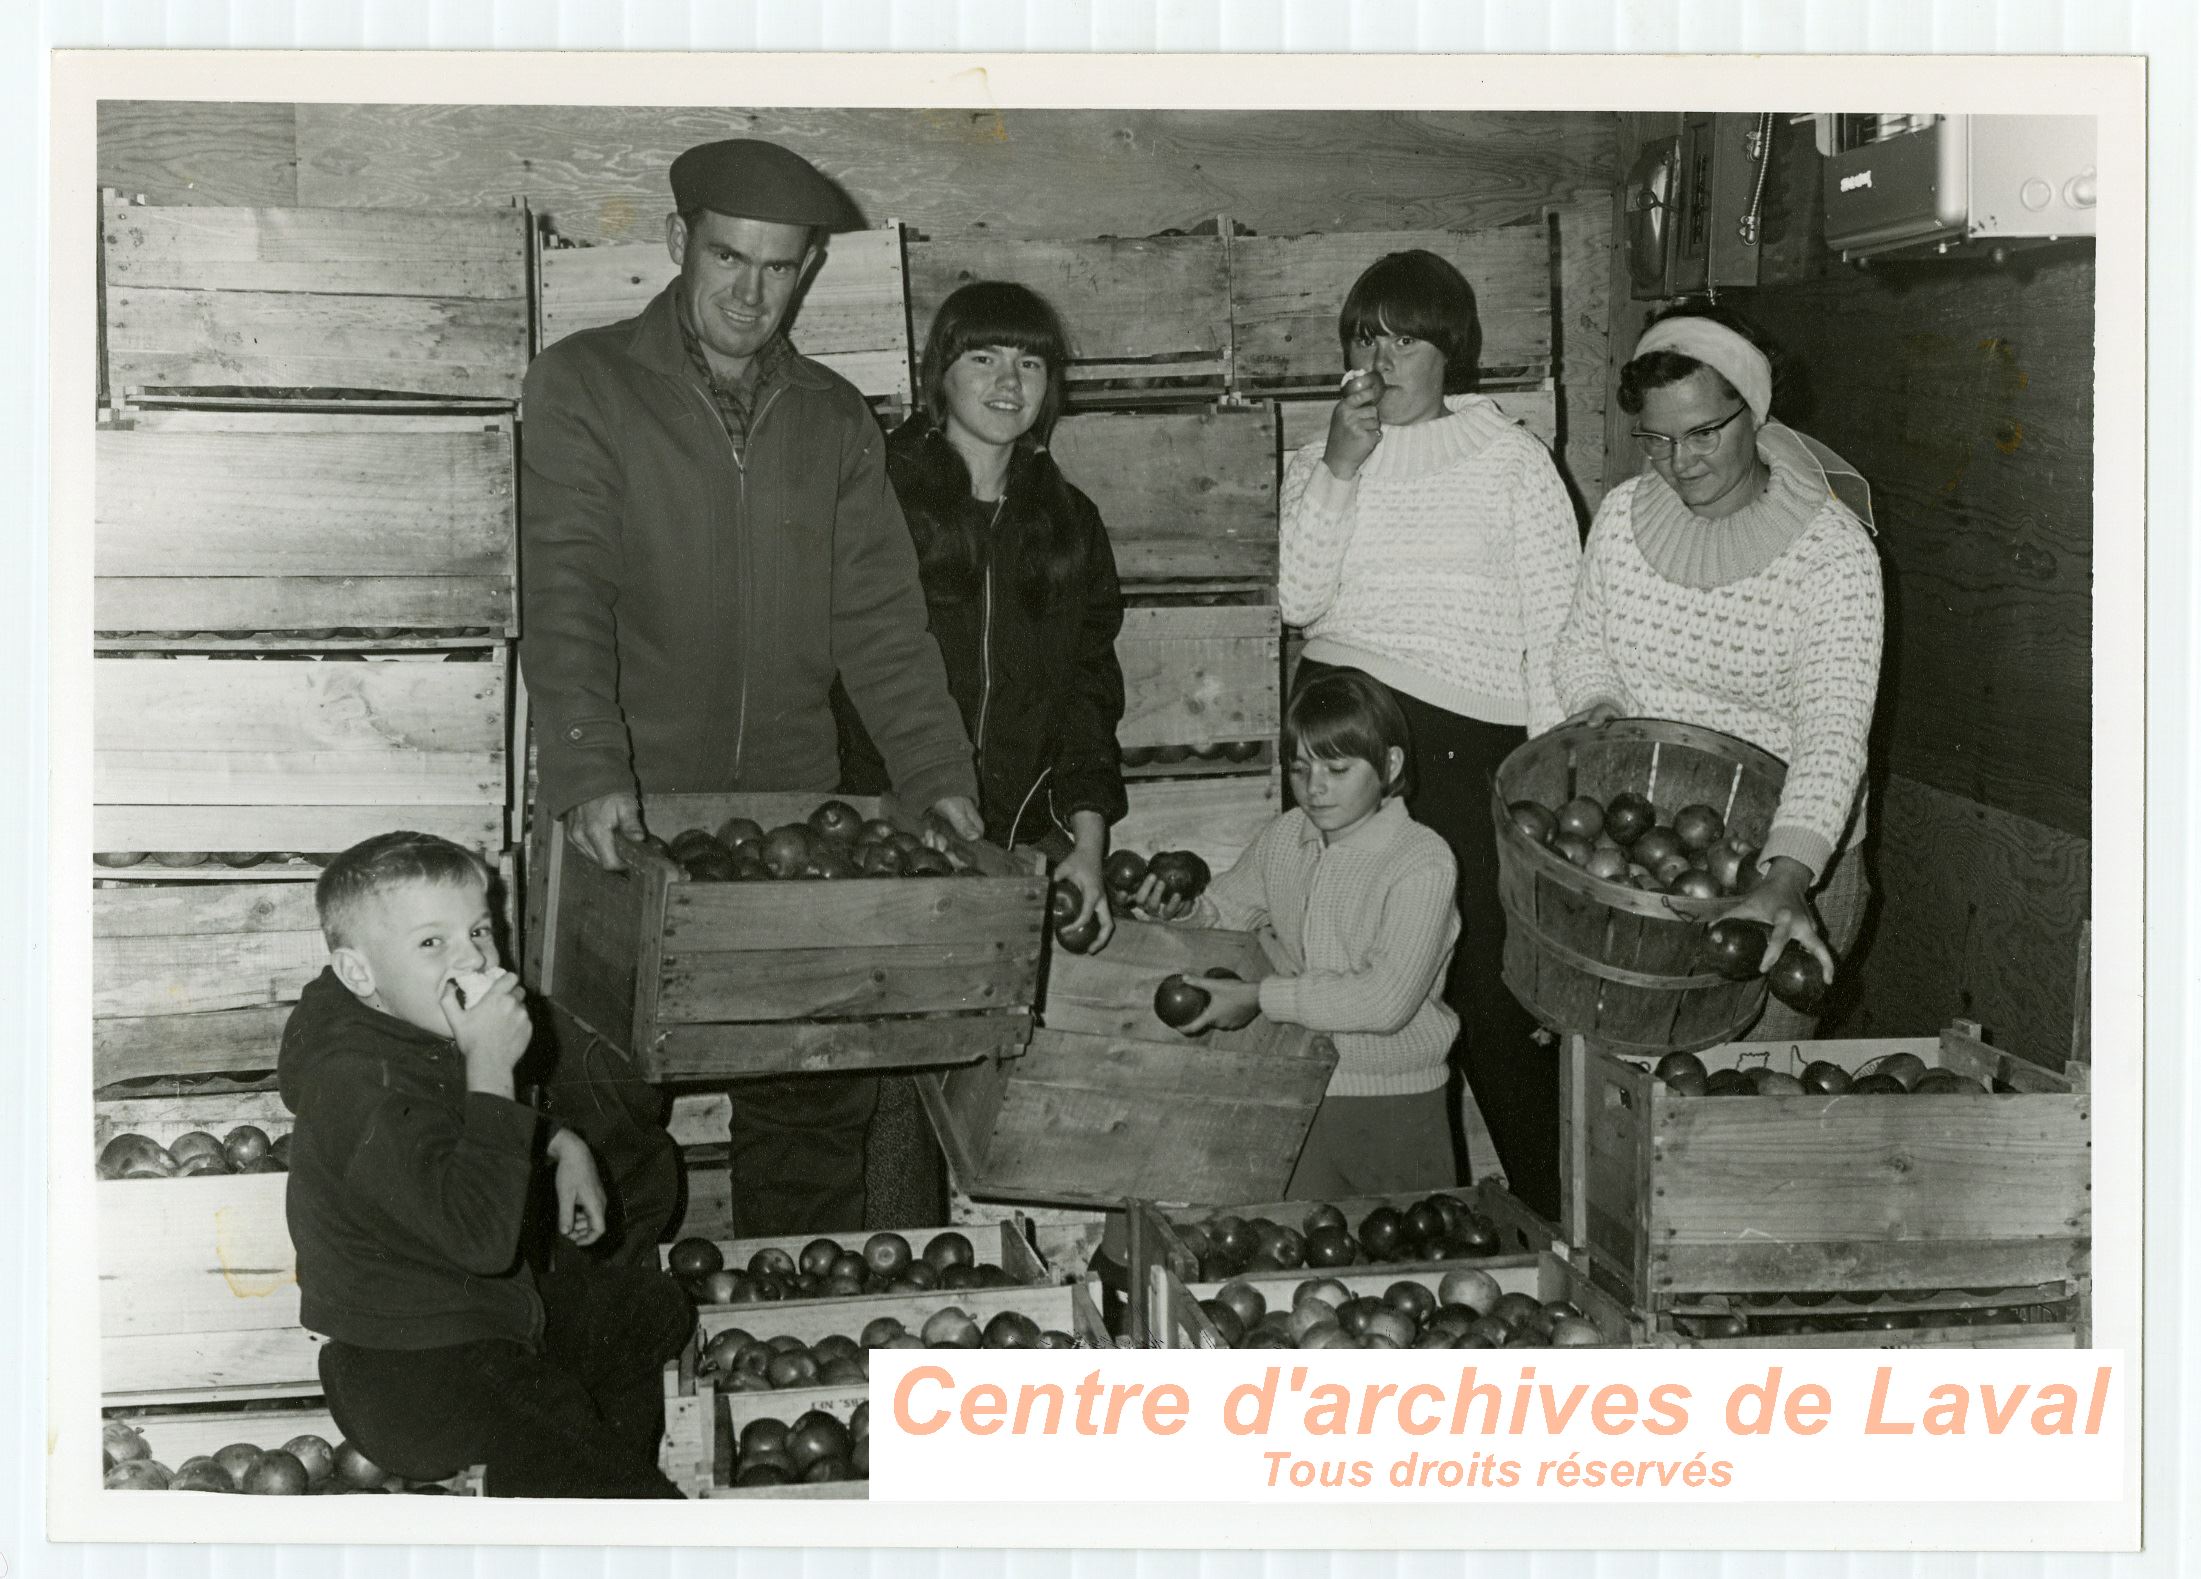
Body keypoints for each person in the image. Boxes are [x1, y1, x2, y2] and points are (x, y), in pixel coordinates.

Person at [519, 137, 984, 1241]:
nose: (750, 292)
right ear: (679, 244)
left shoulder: (832, 419)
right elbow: (566, 583)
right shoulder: (583, 383)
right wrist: (589, 770)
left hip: (790, 820)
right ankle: (622, 1373)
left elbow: (880, 623)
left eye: (779, 269)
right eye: (729, 258)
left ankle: (789, 1337)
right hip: (625, 818)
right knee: (606, 1115)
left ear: (809, 268)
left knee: (810, 1109)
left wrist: (936, 778)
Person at [1276, 248, 1582, 1219]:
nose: (1383, 357)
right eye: (1366, 337)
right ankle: (1377, 1224)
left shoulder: (1512, 460)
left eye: (1406, 339)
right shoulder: (1319, 459)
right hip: (1343, 740)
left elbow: (1558, 633)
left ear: (1448, 351)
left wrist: (1542, 797)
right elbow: (1296, 596)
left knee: (1488, 1002)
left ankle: (1554, 1220)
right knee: (1344, 981)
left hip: (1469, 754)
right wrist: (1336, 467)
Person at [279, 832, 694, 1499]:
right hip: (413, 1371)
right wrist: (493, 1063)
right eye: (430, 942)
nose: (471, 954)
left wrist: (558, 1139)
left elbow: (449, 1121)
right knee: (553, 1423)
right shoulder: (355, 1085)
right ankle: (600, 1495)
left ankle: (572, 1484)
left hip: (481, 1317)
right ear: (359, 974)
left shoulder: (405, 1029)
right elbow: (479, 1237)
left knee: (647, 1310)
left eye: (478, 929)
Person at [837, 279, 1128, 1224]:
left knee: (999, 1095)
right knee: (893, 1098)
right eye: (984, 358)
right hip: (893, 843)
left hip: (1014, 849)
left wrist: (1084, 841)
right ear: (939, 373)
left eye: (1031, 362)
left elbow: (1089, 690)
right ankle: (896, 1296)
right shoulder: (881, 501)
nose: (1009, 382)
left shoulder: (1068, 521)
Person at [1553, 306, 1884, 1040]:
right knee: (1623, 1092)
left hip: (1789, 866)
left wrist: (1785, 878)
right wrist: (1596, 701)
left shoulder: (1830, 558)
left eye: (1704, 432)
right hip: (1651, 855)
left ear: (1754, 413)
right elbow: (1581, 645)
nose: (1680, 461)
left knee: (1735, 1110)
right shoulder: (1618, 519)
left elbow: (1831, 737)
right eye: (1657, 439)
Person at [1141, 669, 1461, 1199]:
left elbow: (1384, 1001)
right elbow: (1226, 911)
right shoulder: (1288, 837)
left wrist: (1259, 997)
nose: (1314, 788)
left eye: (1337, 768)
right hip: (1299, 1095)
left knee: (1409, 1270)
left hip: (1396, 1109)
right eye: (1299, 769)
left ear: (1391, 765)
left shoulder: (1421, 860)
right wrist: (1183, 913)